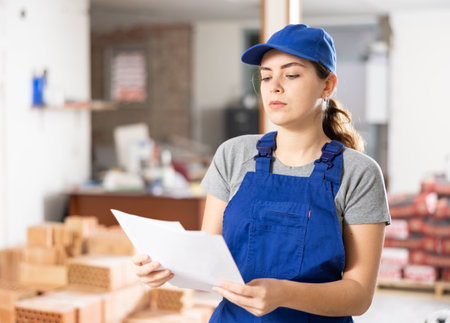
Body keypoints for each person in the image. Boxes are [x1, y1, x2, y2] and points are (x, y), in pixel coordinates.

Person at [132, 24, 391, 322]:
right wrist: (164, 268)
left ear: (328, 85)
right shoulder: (234, 155)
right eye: (266, 76)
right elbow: (210, 263)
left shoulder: (359, 172)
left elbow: (358, 295)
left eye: (291, 75)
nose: (274, 86)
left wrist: (284, 294)